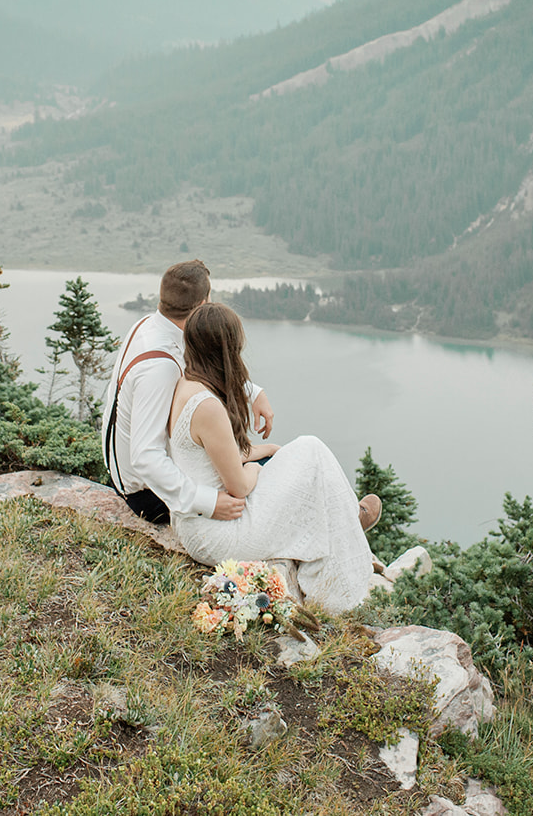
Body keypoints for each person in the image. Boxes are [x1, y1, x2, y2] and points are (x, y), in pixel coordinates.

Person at [166, 302, 377, 612]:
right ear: (228, 347)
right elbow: (239, 486)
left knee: (301, 453)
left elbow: (214, 456)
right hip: (219, 534)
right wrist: (258, 468)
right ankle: (347, 531)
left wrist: (268, 451)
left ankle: (347, 516)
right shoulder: (208, 407)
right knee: (312, 450)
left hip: (196, 519)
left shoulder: (186, 383)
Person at [101, 260, 274, 525]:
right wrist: (208, 502)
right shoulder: (159, 368)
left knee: (262, 460)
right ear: (203, 305)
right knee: (274, 468)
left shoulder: (149, 325)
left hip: (125, 476)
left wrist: (253, 392)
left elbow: (201, 361)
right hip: (147, 496)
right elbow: (145, 457)